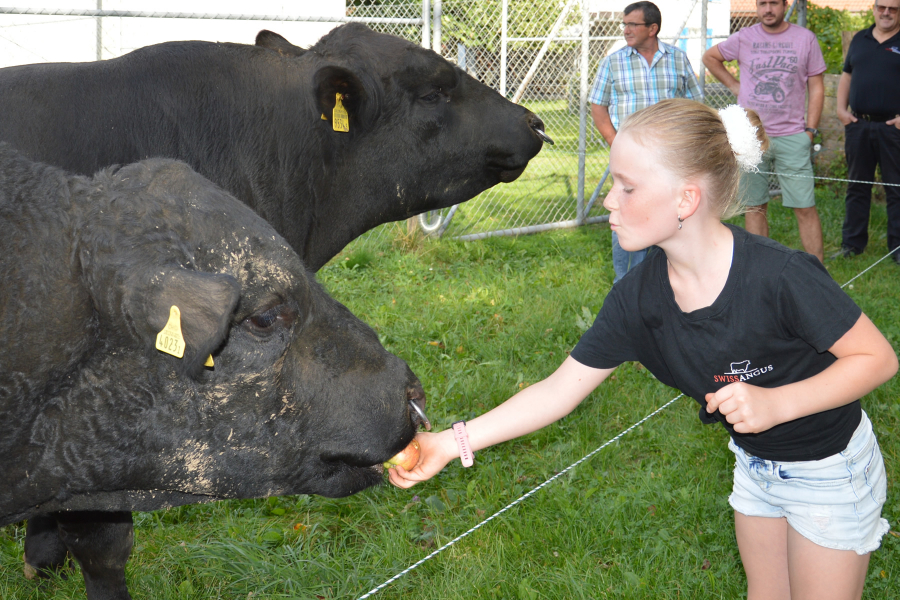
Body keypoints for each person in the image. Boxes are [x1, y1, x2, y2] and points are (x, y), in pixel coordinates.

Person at [389, 99, 898, 600]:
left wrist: (777, 402)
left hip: (829, 471)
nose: (610, 201)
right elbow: (558, 391)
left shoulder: (780, 276)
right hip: (756, 468)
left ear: (685, 200)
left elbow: (877, 359)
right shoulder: (638, 298)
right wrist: (451, 443)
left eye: (627, 187)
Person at [703, 0, 826, 262]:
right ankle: (760, 269)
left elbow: (817, 87)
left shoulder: (805, 39)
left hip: (793, 136)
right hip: (752, 136)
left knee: (805, 206)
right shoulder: (744, 37)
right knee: (754, 206)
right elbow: (710, 57)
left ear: (785, 5)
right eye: (762, 4)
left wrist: (810, 131)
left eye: (773, 3)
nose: (767, 9)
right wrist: (735, 86)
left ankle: (818, 274)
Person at [589, 1, 702, 282]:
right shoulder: (613, 62)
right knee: (628, 218)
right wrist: (616, 144)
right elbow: (598, 107)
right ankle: (627, 286)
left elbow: (696, 104)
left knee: (671, 217)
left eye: (632, 24)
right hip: (631, 160)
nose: (626, 30)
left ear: (652, 28)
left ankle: (671, 281)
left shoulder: (678, 58)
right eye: (624, 24)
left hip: (671, 158)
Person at [835, 0, 900, 265]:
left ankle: (898, 248)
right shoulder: (859, 39)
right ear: (873, 8)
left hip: (892, 129)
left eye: (893, 8)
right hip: (858, 126)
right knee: (857, 187)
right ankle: (852, 244)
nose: (886, 12)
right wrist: (840, 110)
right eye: (881, 7)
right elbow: (846, 76)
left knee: (896, 189)